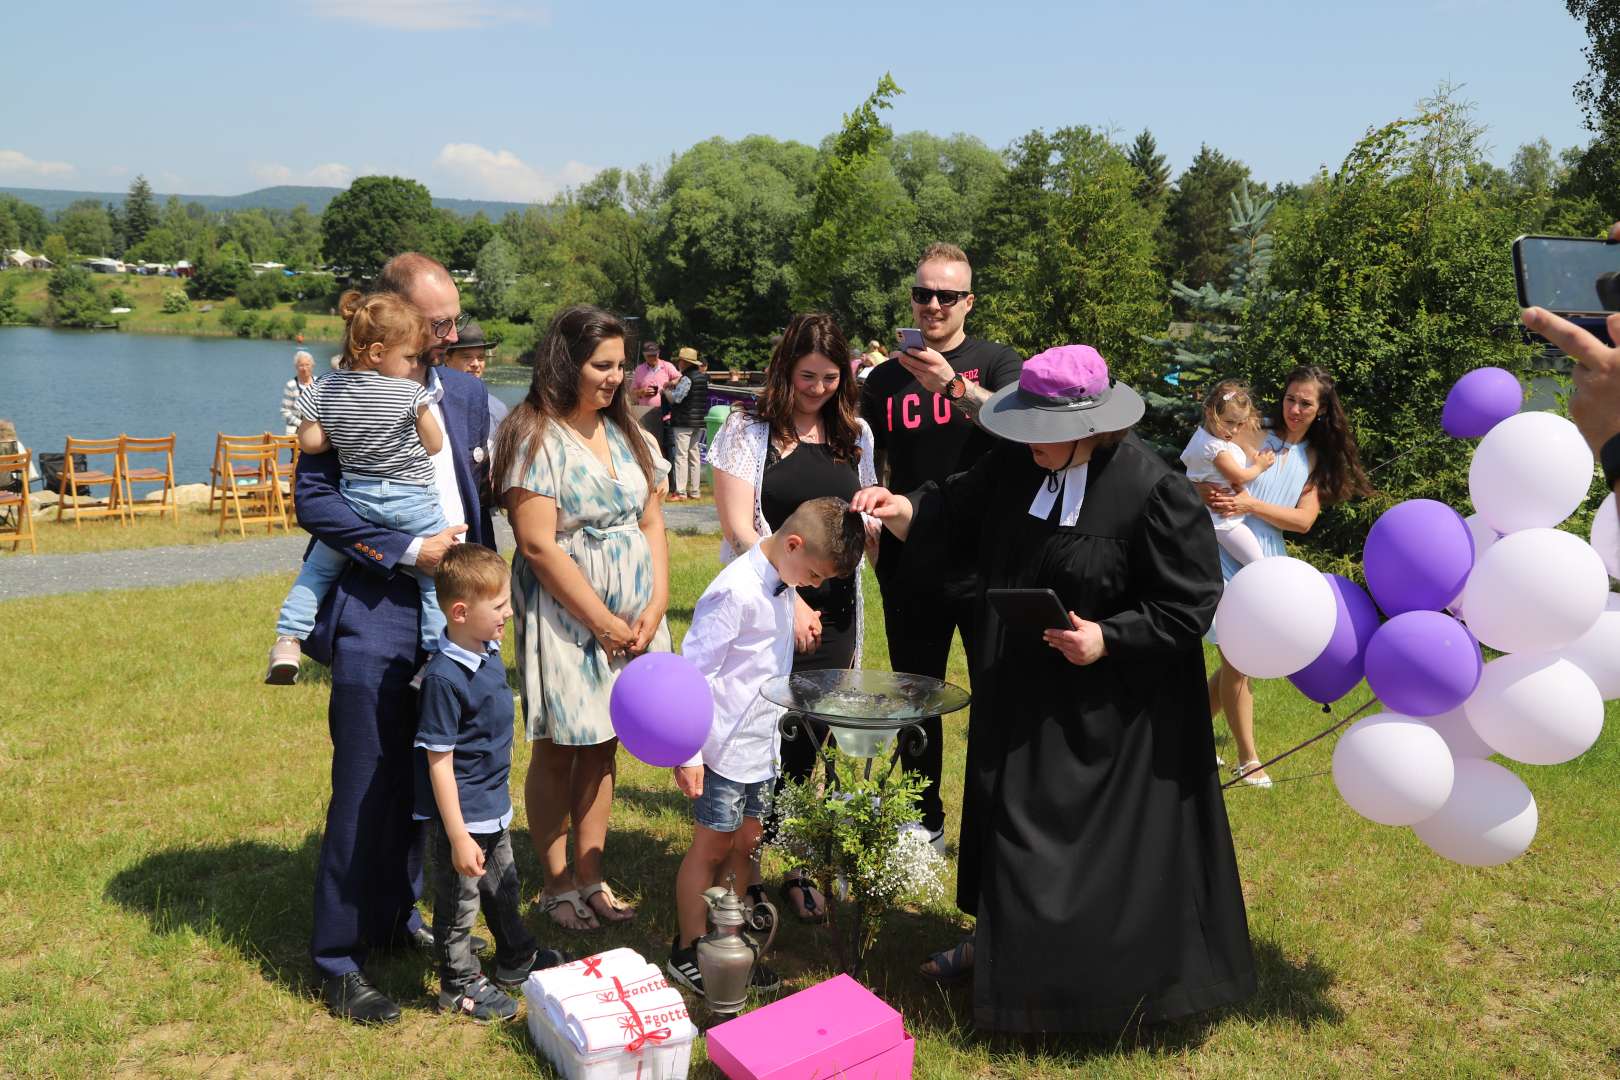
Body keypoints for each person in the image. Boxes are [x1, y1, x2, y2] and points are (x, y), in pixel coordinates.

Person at [850, 343, 1255, 1033]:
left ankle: (1087, 993)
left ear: (1090, 428)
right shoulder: (1015, 465)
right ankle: (1003, 955)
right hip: (1019, 692)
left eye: (1045, 436)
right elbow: (955, 505)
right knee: (1010, 825)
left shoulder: (1154, 492)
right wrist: (900, 507)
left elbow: (1189, 604)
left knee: (1082, 850)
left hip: (1110, 715)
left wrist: (1108, 637)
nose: (1031, 446)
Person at [296, 251, 491, 1025]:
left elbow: (488, 497)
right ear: (392, 317)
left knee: (426, 778)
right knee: (366, 784)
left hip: (459, 621)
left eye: (451, 323)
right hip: (377, 610)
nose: (449, 336)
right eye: (435, 325)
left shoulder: (471, 395)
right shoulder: (345, 395)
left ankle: (394, 915)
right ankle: (338, 958)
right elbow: (314, 501)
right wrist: (409, 552)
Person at [494, 304, 671, 932]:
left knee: (603, 744)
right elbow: (538, 543)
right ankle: (555, 882)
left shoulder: (628, 433)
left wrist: (653, 606)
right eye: (603, 365)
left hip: (634, 614)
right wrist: (600, 620)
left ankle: (592, 874)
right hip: (567, 614)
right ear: (566, 362)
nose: (616, 378)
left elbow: (652, 523)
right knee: (560, 745)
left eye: (622, 365)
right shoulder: (535, 436)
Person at [710, 312, 878, 919]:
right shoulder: (745, 428)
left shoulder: (854, 433)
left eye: (831, 378)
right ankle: (743, 866)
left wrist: (875, 522)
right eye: (808, 375)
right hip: (769, 607)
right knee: (759, 737)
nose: (817, 388)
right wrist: (794, 598)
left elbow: (862, 519)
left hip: (836, 612)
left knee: (813, 741)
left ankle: (800, 862)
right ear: (785, 369)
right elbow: (737, 526)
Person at [858, 242, 1022, 850]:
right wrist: (875, 517)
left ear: (968, 302)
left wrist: (952, 386)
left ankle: (994, 822)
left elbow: (1017, 427)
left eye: (946, 296)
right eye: (922, 294)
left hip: (987, 559)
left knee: (995, 692)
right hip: (911, 556)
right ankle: (922, 820)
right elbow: (876, 463)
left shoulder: (1000, 363)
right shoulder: (882, 377)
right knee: (915, 693)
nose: (932, 305)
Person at [665, 497, 865, 997]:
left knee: (747, 845)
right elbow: (693, 673)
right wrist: (688, 752)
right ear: (792, 544)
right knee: (710, 848)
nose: (815, 587)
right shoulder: (734, 591)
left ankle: (729, 941)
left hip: (761, 748)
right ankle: (688, 948)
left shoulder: (782, 583)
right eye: (816, 575)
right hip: (721, 751)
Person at [267, 292, 450, 685]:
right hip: (412, 501)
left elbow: (312, 442)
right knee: (434, 580)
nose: (416, 365)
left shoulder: (325, 388)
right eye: (411, 357)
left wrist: (344, 433)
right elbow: (434, 445)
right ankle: (435, 656)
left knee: (316, 570)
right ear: (379, 352)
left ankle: (288, 640)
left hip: (358, 501)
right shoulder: (409, 392)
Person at [1200, 365, 1370, 787]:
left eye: (1305, 403)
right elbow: (1206, 464)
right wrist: (1202, 490)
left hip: (1267, 557)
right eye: (1290, 398)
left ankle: (1186, 731)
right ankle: (1248, 760)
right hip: (1223, 546)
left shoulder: (1313, 457)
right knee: (1237, 654)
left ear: (1321, 409)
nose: (1294, 408)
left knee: (1243, 658)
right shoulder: (1252, 433)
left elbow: (1302, 521)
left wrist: (1251, 506)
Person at [413, 544, 551, 1022]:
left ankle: (515, 957)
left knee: (503, 887)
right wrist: (456, 836)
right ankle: (459, 984)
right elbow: (439, 761)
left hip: (492, 809)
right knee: (458, 906)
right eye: (499, 606)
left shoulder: (487, 653)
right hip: (464, 818)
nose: (509, 613)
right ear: (460, 611)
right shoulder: (445, 679)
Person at [1180, 379, 1276, 567]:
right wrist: (1260, 466)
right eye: (1229, 422)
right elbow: (1238, 476)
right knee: (1258, 562)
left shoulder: (1203, 436)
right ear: (1210, 413)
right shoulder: (1214, 447)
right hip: (1224, 522)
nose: (1234, 430)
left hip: (1213, 516)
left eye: (1240, 424)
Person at [442, 318, 510, 431]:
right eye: (466, 357)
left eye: (481, 357)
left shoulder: (499, 408)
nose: (476, 364)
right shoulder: (433, 402)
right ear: (447, 359)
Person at [666, 346, 708, 502]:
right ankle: (695, 491)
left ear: (684, 362)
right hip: (697, 422)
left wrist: (666, 391)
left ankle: (681, 491)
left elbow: (676, 398)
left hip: (683, 422)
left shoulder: (687, 378)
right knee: (695, 456)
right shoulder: (703, 377)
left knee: (681, 456)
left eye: (680, 361)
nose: (679, 363)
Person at [281, 350, 316, 435]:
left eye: (307, 365)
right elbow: (285, 412)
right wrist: (301, 424)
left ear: (312, 366)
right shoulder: (291, 385)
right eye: (301, 365)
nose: (304, 368)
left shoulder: (319, 382)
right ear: (296, 367)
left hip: (315, 430)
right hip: (295, 431)